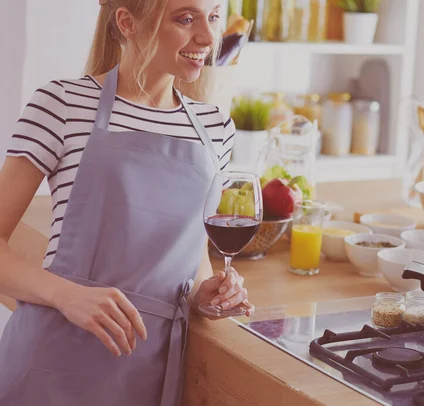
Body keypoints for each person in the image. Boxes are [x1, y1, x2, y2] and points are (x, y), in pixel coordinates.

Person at [0, 0, 254, 405]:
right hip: (52, 360)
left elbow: (191, 254)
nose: (208, 37)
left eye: (213, 15)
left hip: (150, 368)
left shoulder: (215, 128)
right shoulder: (63, 105)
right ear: (127, 22)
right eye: (185, 18)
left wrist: (205, 292)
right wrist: (66, 294)